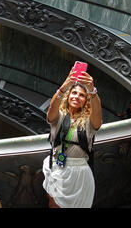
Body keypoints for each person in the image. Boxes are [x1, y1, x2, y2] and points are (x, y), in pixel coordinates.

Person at [42, 68, 102, 208]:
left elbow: (98, 116)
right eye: (73, 93)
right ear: (68, 96)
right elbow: (51, 112)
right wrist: (64, 88)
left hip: (79, 172)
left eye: (81, 95)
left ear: (86, 100)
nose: (76, 96)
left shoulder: (89, 121)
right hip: (57, 166)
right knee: (54, 203)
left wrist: (92, 91)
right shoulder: (60, 116)